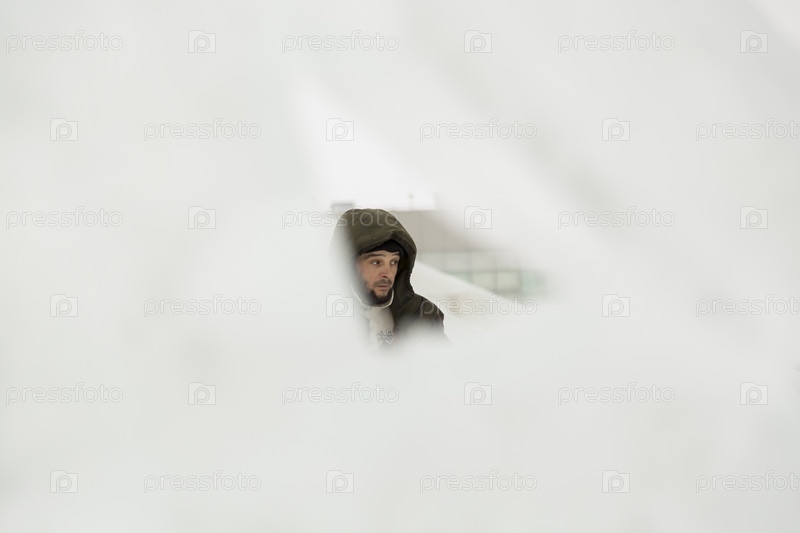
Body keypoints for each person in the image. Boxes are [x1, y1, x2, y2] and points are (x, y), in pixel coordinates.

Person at [331, 208, 446, 349]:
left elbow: (445, 362)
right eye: (376, 262)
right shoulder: (322, 316)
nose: (388, 273)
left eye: (394, 262)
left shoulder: (422, 314)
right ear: (348, 264)